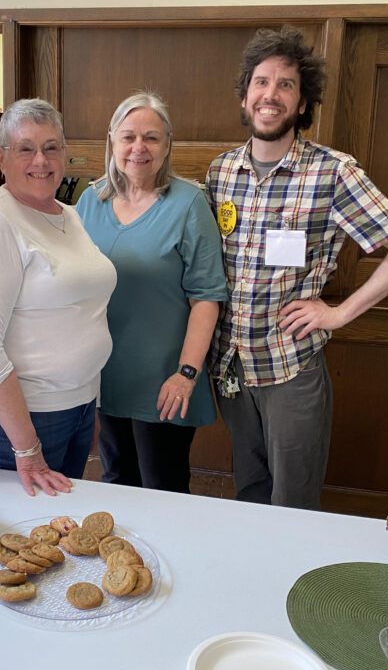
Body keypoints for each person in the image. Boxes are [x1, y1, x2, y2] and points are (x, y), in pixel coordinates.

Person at [205, 26, 388, 510]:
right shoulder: (221, 172)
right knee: (248, 494)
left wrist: (339, 313)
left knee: (293, 504)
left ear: (303, 102)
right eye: (261, 82)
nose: (271, 94)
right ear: (245, 96)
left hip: (291, 367)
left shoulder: (333, 171)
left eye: (285, 84)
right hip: (231, 368)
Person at [0, 99, 117, 496]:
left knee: (60, 520)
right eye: (25, 148)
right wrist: (27, 448)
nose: (40, 160)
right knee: (22, 525)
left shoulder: (69, 214)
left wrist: (90, 403)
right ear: (2, 159)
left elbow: (85, 314)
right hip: (26, 415)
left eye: (51, 147)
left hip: (77, 403)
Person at [76, 92, 226, 493]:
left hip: (164, 382)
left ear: (167, 144)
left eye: (151, 138)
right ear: (112, 139)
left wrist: (186, 374)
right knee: (115, 481)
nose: (138, 148)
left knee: (163, 488)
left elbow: (206, 298)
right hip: (104, 376)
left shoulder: (189, 204)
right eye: (128, 137)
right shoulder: (90, 201)